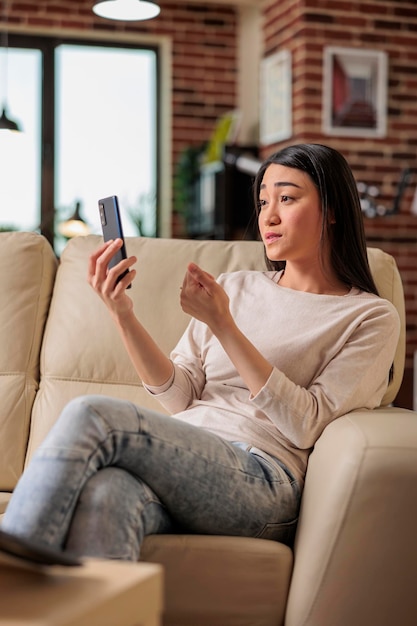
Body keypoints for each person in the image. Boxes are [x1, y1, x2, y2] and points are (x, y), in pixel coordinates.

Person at [2, 143, 400, 560]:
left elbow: (308, 423)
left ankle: (9, 576)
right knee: (108, 494)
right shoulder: (236, 286)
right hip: (192, 453)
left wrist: (225, 327)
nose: (269, 215)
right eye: (263, 200)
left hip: (264, 480)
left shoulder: (369, 317)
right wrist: (122, 315)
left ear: (333, 208)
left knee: (91, 414)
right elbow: (179, 396)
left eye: (287, 198)